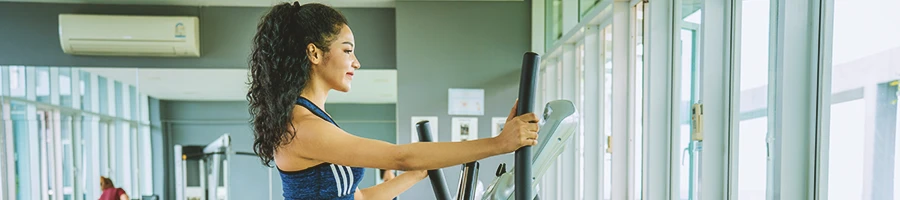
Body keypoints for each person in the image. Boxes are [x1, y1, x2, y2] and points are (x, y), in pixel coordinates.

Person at [247, 2, 539, 200]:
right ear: (314, 53)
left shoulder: (313, 119)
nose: (356, 62)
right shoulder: (304, 127)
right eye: (347, 50)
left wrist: (416, 174)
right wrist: (500, 144)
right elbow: (399, 156)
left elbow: (357, 197)